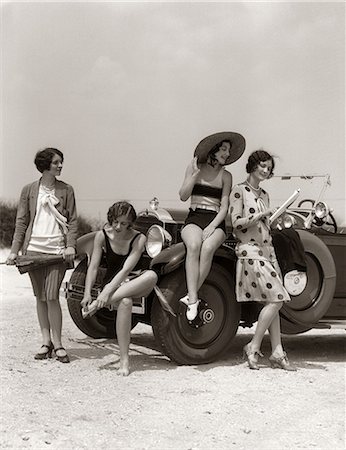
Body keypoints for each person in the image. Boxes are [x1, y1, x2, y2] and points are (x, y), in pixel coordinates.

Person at [6, 148, 78, 363]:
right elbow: (21, 222)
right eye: (56, 162)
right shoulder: (28, 190)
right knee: (40, 297)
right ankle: (45, 342)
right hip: (33, 250)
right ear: (45, 165)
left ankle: (58, 344)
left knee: (53, 296)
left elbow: (72, 221)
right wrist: (13, 251)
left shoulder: (67, 190)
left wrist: (70, 245)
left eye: (61, 162)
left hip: (57, 251)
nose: (60, 166)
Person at [230, 150, 296, 371]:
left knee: (274, 301)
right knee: (277, 300)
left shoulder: (265, 195)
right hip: (250, 252)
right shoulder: (239, 191)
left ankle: (277, 352)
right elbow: (235, 223)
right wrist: (258, 216)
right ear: (253, 166)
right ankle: (254, 346)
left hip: (267, 252)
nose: (266, 170)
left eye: (269, 168)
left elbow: (264, 229)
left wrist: (269, 220)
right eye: (263, 166)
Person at [81, 201, 158, 376]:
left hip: (135, 281)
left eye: (123, 223)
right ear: (111, 219)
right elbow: (92, 267)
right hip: (113, 286)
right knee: (125, 302)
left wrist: (107, 292)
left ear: (130, 223)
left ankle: (98, 305)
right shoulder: (102, 235)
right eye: (115, 221)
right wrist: (87, 293)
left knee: (152, 276)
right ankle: (124, 360)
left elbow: (126, 270)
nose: (118, 227)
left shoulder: (139, 238)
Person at [179, 131, 246, 320]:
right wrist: (193, 176)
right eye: (223, 149)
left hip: (215, 219)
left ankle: (190, 296)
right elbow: (183, 196)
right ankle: (193, 299)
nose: (227, 153)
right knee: (193, 245)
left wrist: (211, 227)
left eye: (228, 150)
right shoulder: (194, 168)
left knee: (207, 247)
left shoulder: (227, 176)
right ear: (213, 150)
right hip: (194, 216)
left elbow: (225, 208)